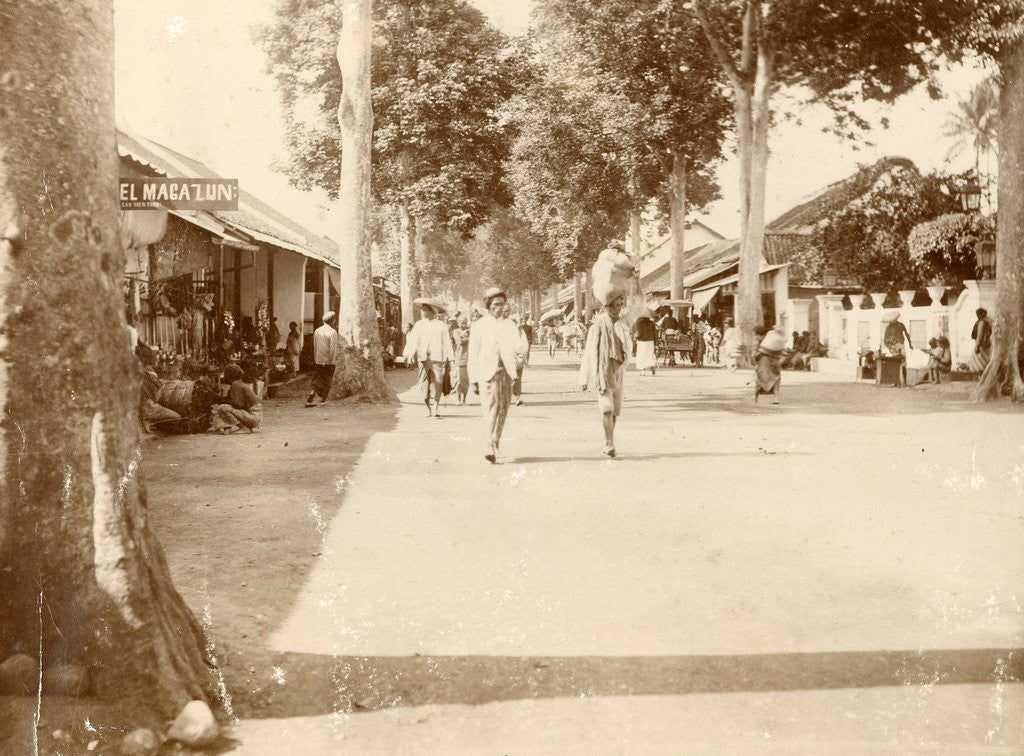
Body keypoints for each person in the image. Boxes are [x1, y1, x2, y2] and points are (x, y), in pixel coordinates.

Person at [468, 288, 520, 462]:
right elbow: (473, 354)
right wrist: (473, 378)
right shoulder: (479, 326)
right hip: (487, 374)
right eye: (495, 304)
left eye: (502, 304)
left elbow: (519, 347)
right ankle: (489, 444)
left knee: (503, 409)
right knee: (491, 409)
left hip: (506, 373)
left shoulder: (510, 325)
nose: (499, 308)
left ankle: (496, 442)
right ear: (489, 306)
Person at [580, 293, 632, 457]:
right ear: (606, 306)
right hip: (602, 369)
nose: (617, 308)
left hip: (618, 370)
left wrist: (636, 280)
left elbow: (639, 304)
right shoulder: (597, 326)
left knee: (614, 410)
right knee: (607, 408)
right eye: (614, 305)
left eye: (619, 305)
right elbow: (589, 352)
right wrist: (585, 378)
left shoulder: (623, 324)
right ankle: (609, 443)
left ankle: (609, 439)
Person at [402, 299, 454, 417]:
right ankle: (427, 407)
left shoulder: (441, 325)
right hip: (423, 359)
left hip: (437, 358)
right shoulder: (419, 325)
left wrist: (450, 358)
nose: (424, 313)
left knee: (438, 383)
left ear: (432, 311)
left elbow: (447, 342)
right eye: (422, 310)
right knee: (424, 386)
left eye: (426, 310)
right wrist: (410, 354)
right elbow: (413, 341)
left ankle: (435, 407)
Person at [210, 364, 262, 434]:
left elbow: (238, 405)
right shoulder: (239, 383)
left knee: (222, 408)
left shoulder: (235, 384)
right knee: (222, 408)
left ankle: (243, 427)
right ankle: (228, 427)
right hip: (255, 417)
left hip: (253, 417)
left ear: (229, 376)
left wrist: (219, 398)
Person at [306, 311, 340, 405]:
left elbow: (315, 346)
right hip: (328, 360)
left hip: (319, 359)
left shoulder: (317, 331)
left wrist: (316, 359)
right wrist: (333, 361)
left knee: (318, 377)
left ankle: (312, 392)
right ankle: (323, 398)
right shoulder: (333, 332)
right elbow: (333, 348)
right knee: (328, 379)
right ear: (333, 321)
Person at [754, 329, 785, 404]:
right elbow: (781, 352)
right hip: (774, 363)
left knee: (761, 380)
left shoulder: (762, 344)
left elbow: (756, 356)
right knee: (775, 379)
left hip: (764, 364)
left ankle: (756, 398)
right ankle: (776, 398)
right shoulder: (775, 343)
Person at [512, 316, 531, 406]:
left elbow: (525, 344)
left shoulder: (521, 332)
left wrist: (524, 355)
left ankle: (517, 399)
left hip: (518, 357)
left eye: (517, 322)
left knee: (518, 378)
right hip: (507, 358)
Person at [452, 315, 471, 405]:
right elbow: (459, 341)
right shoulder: (455, 331)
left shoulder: (470, 331)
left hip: (468, 358)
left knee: (465, 380)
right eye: (461, 322)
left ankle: (464, 399)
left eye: (464, 322)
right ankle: (458, 398)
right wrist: (467, 337)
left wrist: (466, 337)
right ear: (458, 323)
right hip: (459, 357)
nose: (463, 324)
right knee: (458, 380)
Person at [634, 311, 657, 377]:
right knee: (649, 354)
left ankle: (643, 371)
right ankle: (651, 366)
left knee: (642, 355)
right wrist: (655, 343)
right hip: (650, 341)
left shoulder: (639, 323)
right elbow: (655, 333)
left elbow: (639, 333)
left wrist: (635, 337)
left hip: (642, 341)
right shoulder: (652, 323)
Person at [972, 307, 992, 371]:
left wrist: (977, 345)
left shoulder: (981, 322)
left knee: (978, 359)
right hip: (987, 343)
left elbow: (979, 334)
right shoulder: (988, 321)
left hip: (982, 344)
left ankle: (981, 374)